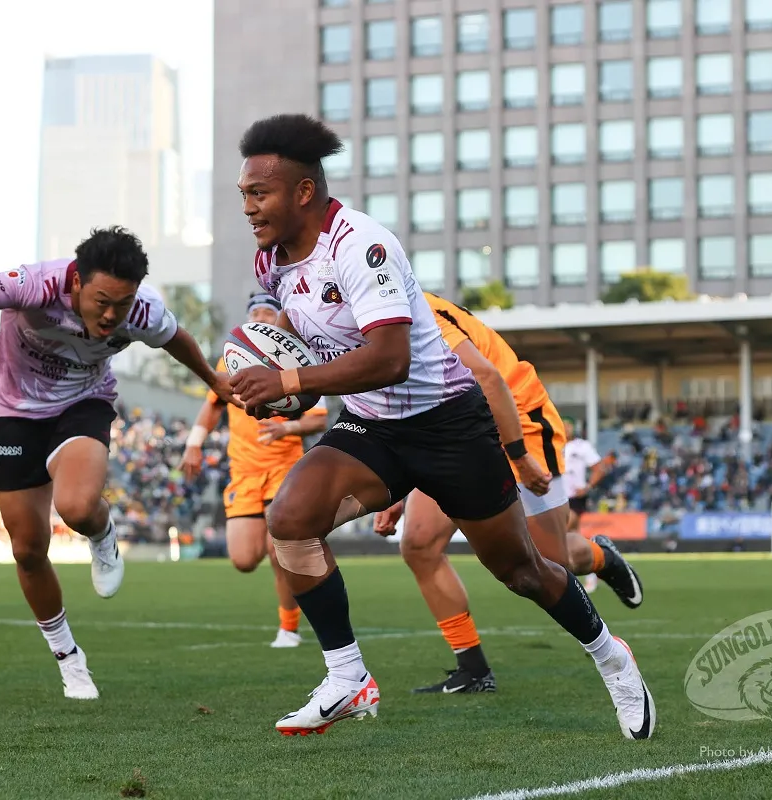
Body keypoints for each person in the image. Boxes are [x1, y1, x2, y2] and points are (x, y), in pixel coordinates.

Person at [227, 114, 654, 739]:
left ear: (303, 192)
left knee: (523, 571)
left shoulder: (360, 245)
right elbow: (287, 316)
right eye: (242, 193)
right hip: (373, 428)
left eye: (257, 193)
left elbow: (390, 358)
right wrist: (265, 350)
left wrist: (289, 383)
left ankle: (612, 657)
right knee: (289, 520)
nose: (247, 206)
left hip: (449, 425)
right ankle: (347, 677)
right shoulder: (271, 255)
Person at [0, 225, 237, 700]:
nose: (113, 315)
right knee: (28, 549)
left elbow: (175, 338)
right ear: (76, 283)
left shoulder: (142, 308)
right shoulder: (37, 284)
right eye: (102, 301)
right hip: (15, 413)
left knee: (76, 506)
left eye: (122, 303)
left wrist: (212, 381)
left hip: (84, 402)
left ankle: (102, 533)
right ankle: (69, 659)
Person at [372, 294, 645, 694]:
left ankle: (602, 555)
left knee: (551, 565)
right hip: (455, 431)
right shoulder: (359, 315)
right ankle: (473, 669)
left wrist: (517, 455)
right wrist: (396, 484)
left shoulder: (411, 308)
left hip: (519, 417)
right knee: (418, 544)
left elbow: (485, 378)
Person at [180, 292, 329, 648]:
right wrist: (193, 443)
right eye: (256, 312)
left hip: (284, 466)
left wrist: (287, 428)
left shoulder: (299, 357)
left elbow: (319, 418)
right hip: (244, 471)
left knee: (280, 550)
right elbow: (213, 404)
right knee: (244, 558)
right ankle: (300, 552)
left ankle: (288, 628)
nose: (262, 316)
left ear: (279, 320)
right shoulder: (231, 358)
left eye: (268, 311)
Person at [563, 419, 612, 593]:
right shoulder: (553, 444)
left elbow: (600, 468)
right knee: (573, 535)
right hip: (557, 496)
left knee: (564, 532)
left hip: (575, 496)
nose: (565, 428)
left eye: (568, 424)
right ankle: (592, 570)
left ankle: (596, 563)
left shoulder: (582, 446)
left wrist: (588, 487)